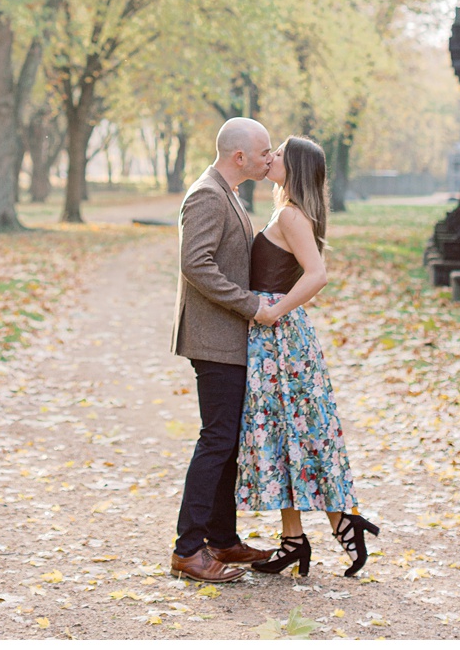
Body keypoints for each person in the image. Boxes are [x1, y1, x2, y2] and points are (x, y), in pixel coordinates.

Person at [235, 136, 380, 577]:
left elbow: (317, 275)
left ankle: (337, 522)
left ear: (293, 167)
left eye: (277, 153)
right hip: (275, 339)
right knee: (285, 436)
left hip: (279, 339)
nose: (270, 157)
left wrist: (274, 310)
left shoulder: (290, 215)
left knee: (294, 432)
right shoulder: (292, 213)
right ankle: (295, 539)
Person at [169, 116, 287, 583]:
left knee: (227, 441)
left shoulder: (228, 192)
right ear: (240, 156)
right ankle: (187, 550)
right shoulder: (206, 194)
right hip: (214, 337)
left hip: (228, 336)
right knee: (216, 440)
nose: (268, 158)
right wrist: (252, 306)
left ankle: (221, 539)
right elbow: (194, 264)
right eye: (263, 152)